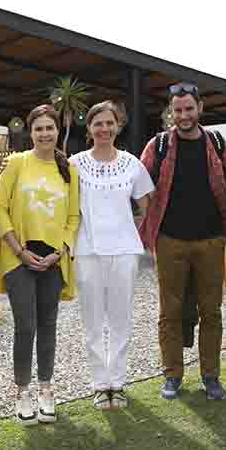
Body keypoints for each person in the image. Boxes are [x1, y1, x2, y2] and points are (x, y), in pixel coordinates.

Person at [139, 82, 226, 401]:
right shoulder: (157, 145)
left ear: (199, 109)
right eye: (177, 110)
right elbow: (137, 181)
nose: (183, 115)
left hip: (211, 241)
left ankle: (210, 376)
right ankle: (172, 376)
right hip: (170, 240)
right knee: (169, 312)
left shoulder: (215, 141)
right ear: (170, 112)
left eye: (189, 108)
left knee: (211, 311)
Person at [0, 104, 80, 426]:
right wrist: (19, 250)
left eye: (49, 128)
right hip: (19, 257)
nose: (44, 133)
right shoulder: (16, 163)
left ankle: (45, 388)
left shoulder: (69, 169)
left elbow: (73, 217)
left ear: (57, 131)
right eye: (38, 128)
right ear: (31, 132)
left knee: (48, 326)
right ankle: (22, 390)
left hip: (53, 260)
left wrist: (61, 251)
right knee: (25, 325)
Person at [70, 101, 154, 410]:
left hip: (124, 252)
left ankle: (117, 383)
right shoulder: (75, 163)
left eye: (110, 123)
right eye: (98, 123)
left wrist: (138, 236)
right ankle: (98, 384)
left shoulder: (132, 164)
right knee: (92, 321)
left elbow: (149, 207)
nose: (104, 129)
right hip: (87, 250)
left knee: (120, 320)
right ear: (89, 128)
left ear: (118, 126)